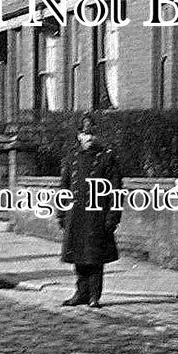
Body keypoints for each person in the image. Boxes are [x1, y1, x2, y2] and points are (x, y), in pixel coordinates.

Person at [58, 115, 122, 308]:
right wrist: (61, 213)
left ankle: (95, 295)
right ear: (79, 136)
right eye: (86, 134)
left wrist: (113, 217)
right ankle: (81, 293)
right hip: (76, 214)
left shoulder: (106, 157)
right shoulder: (72, 157)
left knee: (94, 257)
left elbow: (116, 190)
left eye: (92, 134)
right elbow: (64, 187)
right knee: (78, 256)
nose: (89, 138)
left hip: (97, 215)